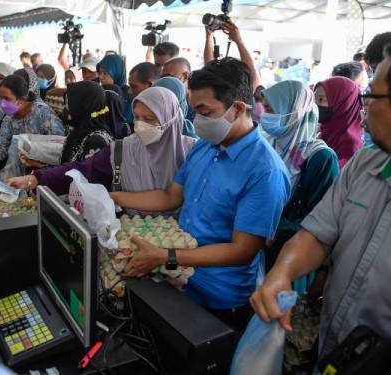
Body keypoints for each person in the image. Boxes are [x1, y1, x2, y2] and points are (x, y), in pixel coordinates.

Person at [109, 58, 290, 331]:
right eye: (194, 111)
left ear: (238, 108)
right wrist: (114, 198)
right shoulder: (205, 147)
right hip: (179, 280)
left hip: (218, 296)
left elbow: (241, 250)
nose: (198, 120)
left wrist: (168, 256)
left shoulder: (265, 171)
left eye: (205, 112)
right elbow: (170, 197)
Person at [251, 50, 391, 357]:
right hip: (335, 342)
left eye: (371, 95)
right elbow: (317, 232)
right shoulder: (366, 164)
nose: (363, 105)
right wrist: (282, 272)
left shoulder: (324, 156)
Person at [7, 86, 194, 217]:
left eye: (150, 118)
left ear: (171, 119)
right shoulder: (123, 149)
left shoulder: (192, 153)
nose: (140, 125)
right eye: (136, 117)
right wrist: (34, 179)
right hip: (131, 235)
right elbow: (81, 170)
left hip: (182, 245)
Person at [259, 80, 340, 293]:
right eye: (265, 109)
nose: (265, 116)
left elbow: (323, 218)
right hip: (257, 245)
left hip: (291, 253)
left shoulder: (320, 157)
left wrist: (276, 227)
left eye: (271, 110)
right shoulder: (268, 143)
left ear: (293, 111)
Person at [0, 74, 64, 179]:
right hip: (16, 174)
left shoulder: (44, 115)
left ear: (22, 98)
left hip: (43, 176)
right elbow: (1, 146)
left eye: (6, 98)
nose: (2, 103)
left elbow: (59, 151)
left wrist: (37, 161)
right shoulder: (9, 117)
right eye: (0, 98)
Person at [314, 76, 363, 167]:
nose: (315, 105)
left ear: (343, 104)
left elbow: (334, 177)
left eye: (321, 100)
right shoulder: (321, 128)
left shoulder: (350, 144)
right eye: (314, 99)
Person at [60, 81, 113, 163]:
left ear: (83, 105)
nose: (66, 108)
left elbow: (83, 174)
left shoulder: (96, 141)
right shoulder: (78, 132)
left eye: (70, 104)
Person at [204, 21, 261, 92]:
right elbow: (253, 76)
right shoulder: (243, 97)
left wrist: (209, 36)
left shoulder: (214, 95)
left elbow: (208, 69)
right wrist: (239, 41)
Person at [98, 54, 133, 124]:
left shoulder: (129, 95)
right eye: (100, 73)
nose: (101, 77)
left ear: (117, 72)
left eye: (105, 73)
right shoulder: (100, 93)